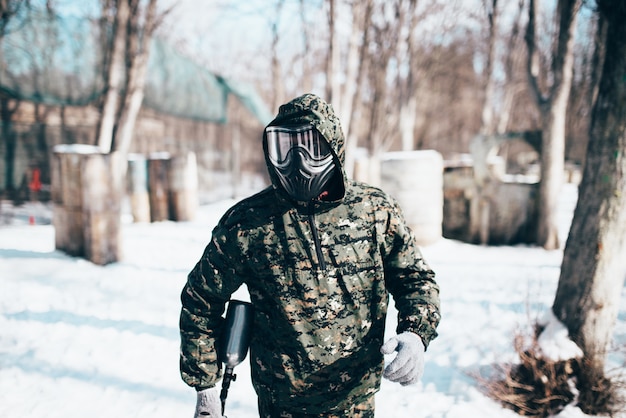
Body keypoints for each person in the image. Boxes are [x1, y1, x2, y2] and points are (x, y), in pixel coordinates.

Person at [179, 93, 441, 418]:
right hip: (280, 406)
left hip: (356, 401)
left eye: (309, 148)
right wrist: (205, 387)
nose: (296, 162)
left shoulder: (374, 211)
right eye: (284, 150)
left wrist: (416, 333)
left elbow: (415, 279)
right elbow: (200, 300)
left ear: (333, 147)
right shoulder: (247, 223)